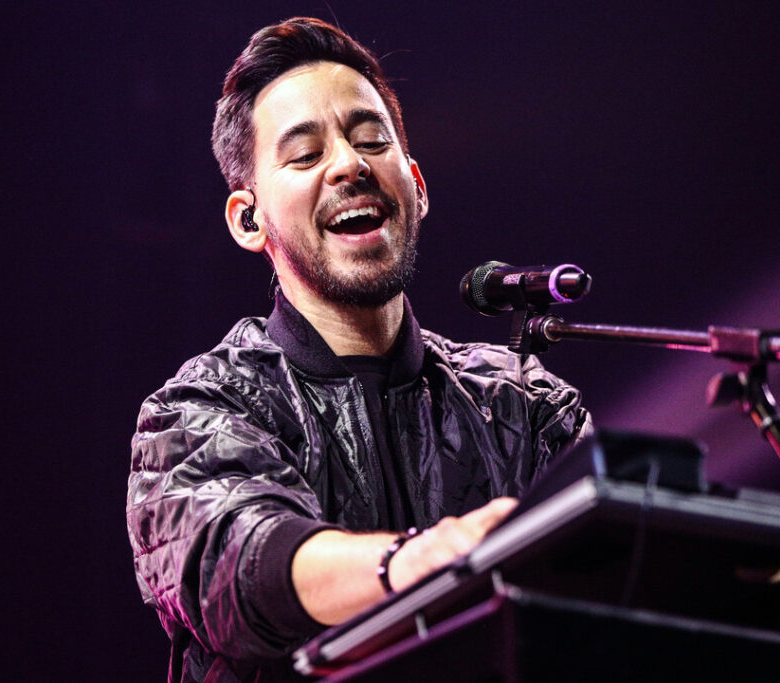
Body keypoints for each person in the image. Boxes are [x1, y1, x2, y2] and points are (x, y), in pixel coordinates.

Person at [126, 17, 590, 682]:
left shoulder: (527, 407)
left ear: (417, 187)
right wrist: (413, 563)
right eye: (305, 154)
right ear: (249, 219)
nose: (350, 164)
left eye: (371, 140)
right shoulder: (199, 410)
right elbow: (238, 560)